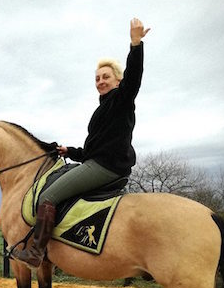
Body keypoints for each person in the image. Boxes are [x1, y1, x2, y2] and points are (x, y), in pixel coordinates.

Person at [12, 18, 150, 268]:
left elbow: (134, 79)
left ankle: (36, 253)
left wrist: (135, 44)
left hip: (106, 167)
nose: (100, 81)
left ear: (118, 80)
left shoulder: (121, 99)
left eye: (106, 77)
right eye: (97, 78)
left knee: (48, 195)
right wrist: (70, 151)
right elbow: (91, 150)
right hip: (100, 162)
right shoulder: (104, 108)